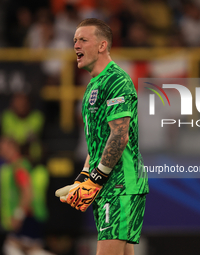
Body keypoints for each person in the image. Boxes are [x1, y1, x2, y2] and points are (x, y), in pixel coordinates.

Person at [55, 18, 149, 255]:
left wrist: (95, 178)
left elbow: (120, 136)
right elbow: (97, 142)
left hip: (121, 184)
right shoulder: (93, 85)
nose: (76, 45)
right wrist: (84, 178)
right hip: (110, 185)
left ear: (102, 46)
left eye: (83, 40)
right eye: (74, 40)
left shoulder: (116, 80)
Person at [0, 136, 52, 255]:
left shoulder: (19, 167)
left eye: (3, 147)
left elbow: (27, 193)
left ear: (14, 147)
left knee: (15, 247)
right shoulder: (13, 166)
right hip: (26, 216)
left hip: (27, 217)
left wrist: (18, 215)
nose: (0, 151)